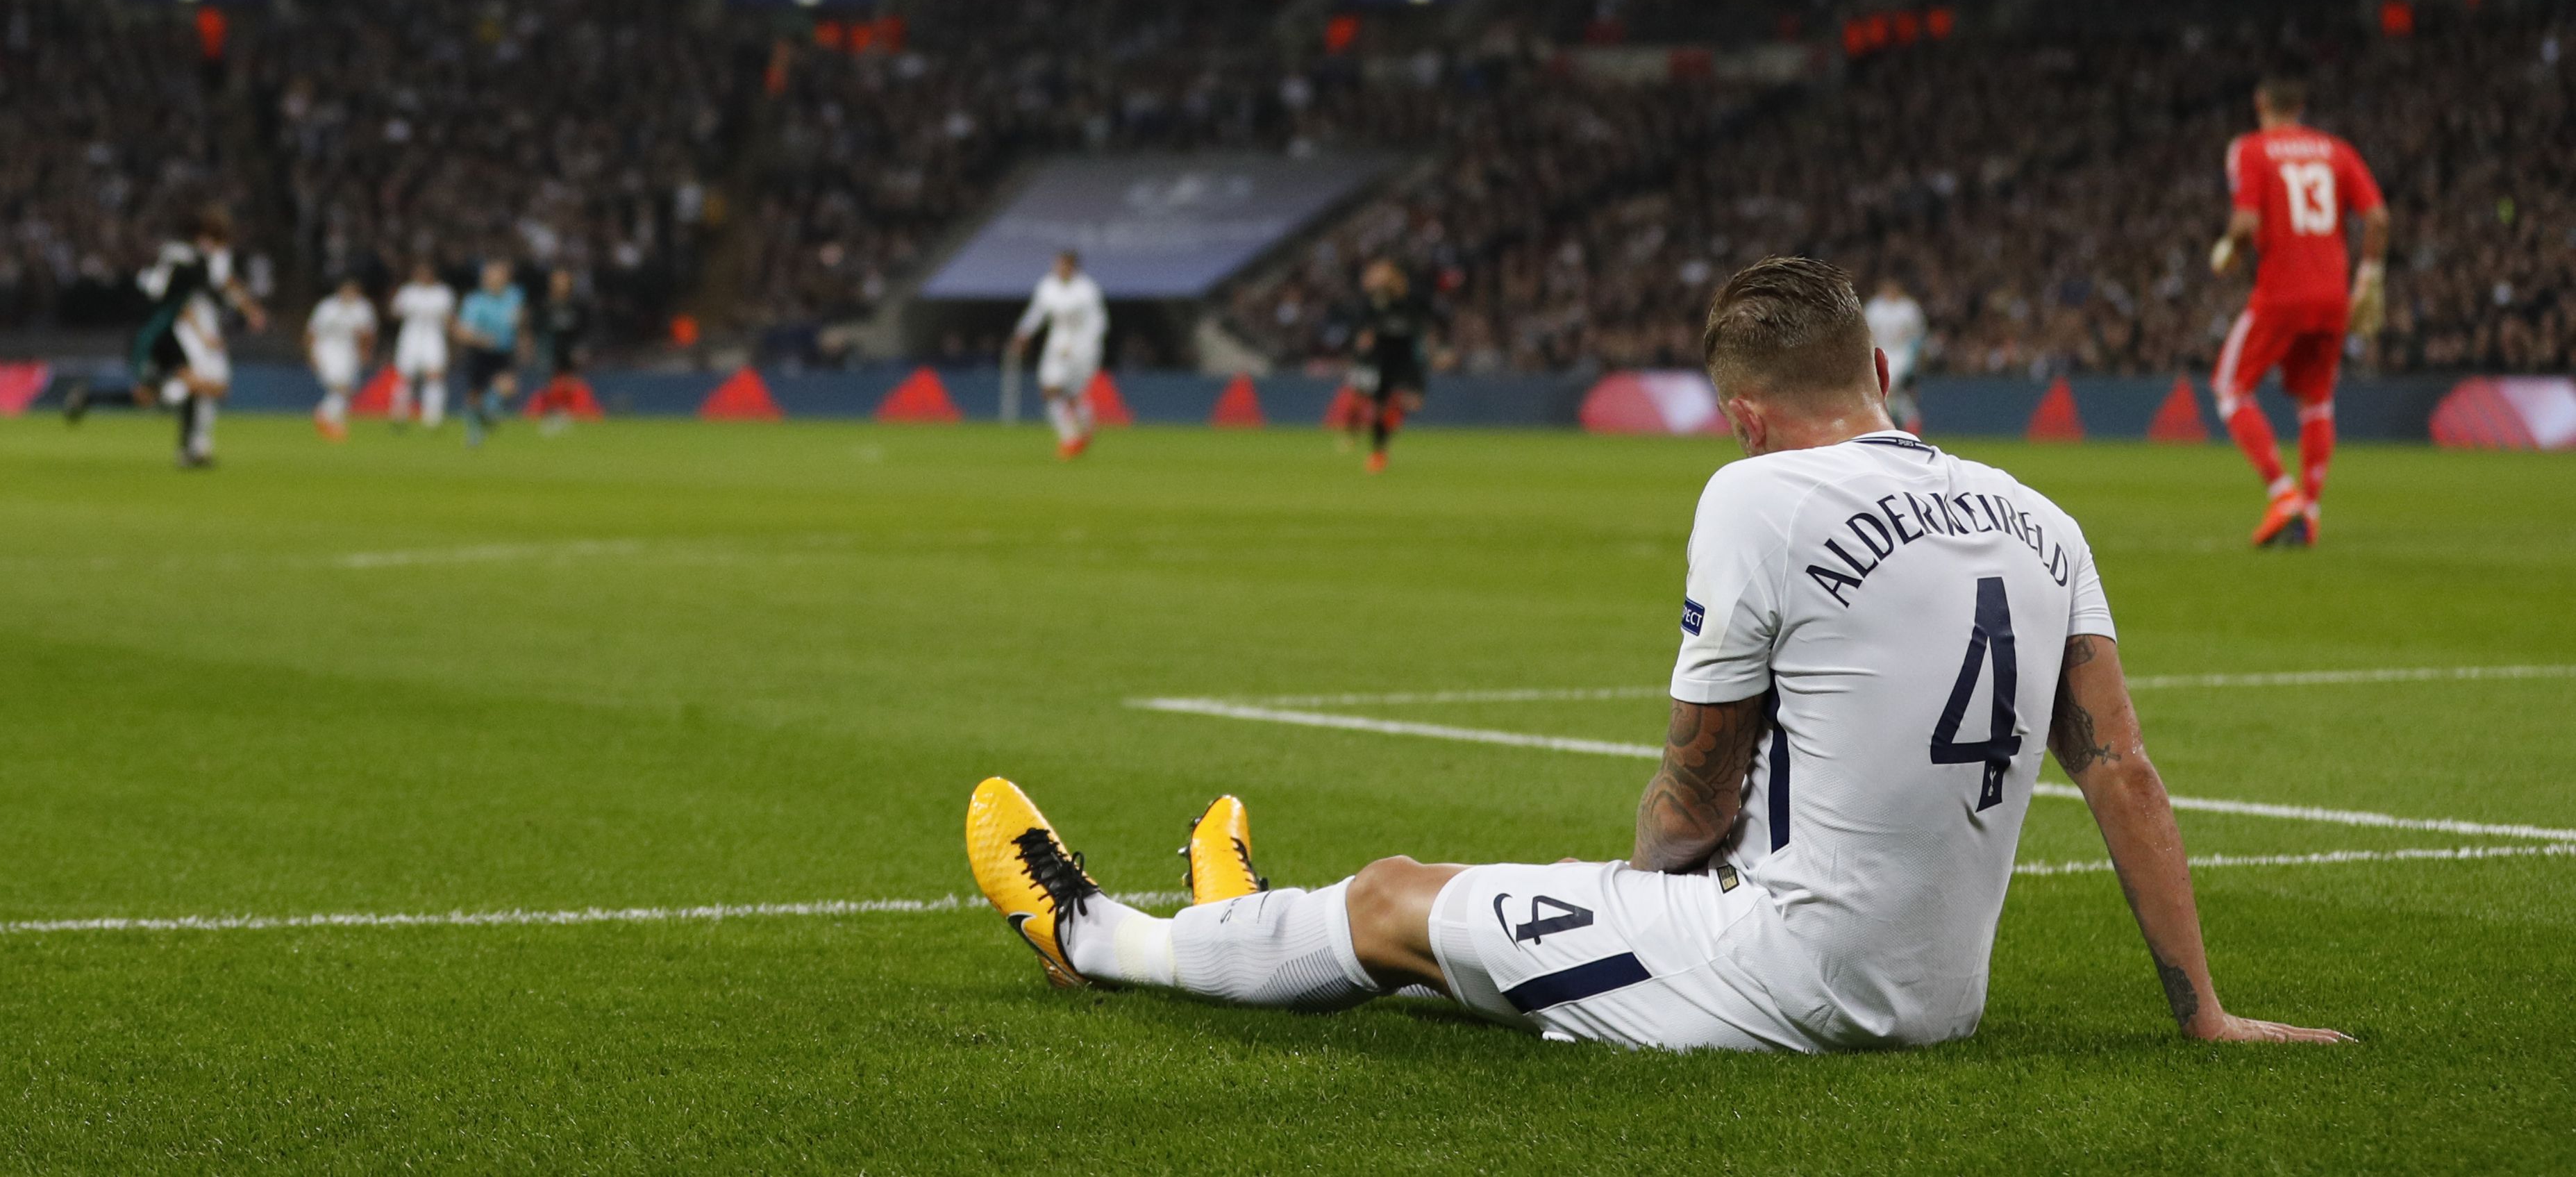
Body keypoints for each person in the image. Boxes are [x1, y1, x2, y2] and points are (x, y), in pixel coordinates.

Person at [967, 256, 2350, 1055]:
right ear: (1875, 362)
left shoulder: (1756, 497)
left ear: (1743, 416)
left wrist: (1628, 912)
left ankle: (1102, 938)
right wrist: (2207, 1017)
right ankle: (1252, 922)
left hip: (1797, 980)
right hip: (1943, 995)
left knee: (1396, 898)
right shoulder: (2041, 516)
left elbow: (1695, 795)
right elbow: (2126, 778)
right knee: (1470, 948)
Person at [2207, 77, 2387, 549]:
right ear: (2302, 107)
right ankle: (2309, 510)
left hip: (2281, 293)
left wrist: (2230, 248)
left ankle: (2282, 492)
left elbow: (2246, 223)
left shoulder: (2250, 149)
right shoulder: (2336, 150)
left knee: (2230, 388)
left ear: (2260, 103)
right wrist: (2368, 279)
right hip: (2332, 295)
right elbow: (2378, 218)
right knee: (2317, 399)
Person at [133, 206, 267, 470]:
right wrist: (204, 333)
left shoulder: (210, 257)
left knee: (212, 386)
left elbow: (226, 284)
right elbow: (183, 300)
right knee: (203, 384)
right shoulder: (190, 258)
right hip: (189, 327)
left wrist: (250, 310)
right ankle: (178, 419)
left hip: (204, 326)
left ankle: (194, 440)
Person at [1010, 248, 1107, 459]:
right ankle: (1072, 436)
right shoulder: (1048, 286)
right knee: (1051, 390)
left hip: (1082, 347)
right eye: (1057, 264)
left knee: (1069, 394)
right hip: (1058, 343)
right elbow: (1037, 312)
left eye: (1063, 265)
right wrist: (1023, 334)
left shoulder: (1087, 290)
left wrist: (1085, 348)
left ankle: (1082, 429)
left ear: (1074, 267)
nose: (1059, 269)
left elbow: (1099, 322)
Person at [1344, 258, 1428, 474]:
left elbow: (1422, 326)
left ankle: (1386, 426)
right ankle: (1378, 452)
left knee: (1412, 402)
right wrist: (1365, 337)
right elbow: (1364, 325)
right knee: (1376, 407)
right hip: (1382, 360)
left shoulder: (1413, 300)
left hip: (1407, 359)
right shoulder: (1376, 302)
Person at [453, 258, 526, 449]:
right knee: (475, 395)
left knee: (509, 388)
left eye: (500, 277)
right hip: (480, 352)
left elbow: (519, 319)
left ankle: (489, 411)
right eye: (492, 277)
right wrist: (482, 338)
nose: (496, 281)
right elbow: (462, 332)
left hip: (503, 352)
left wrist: (520, 327)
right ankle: (474, 432)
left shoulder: (514, 296)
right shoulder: (475, 302)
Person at [304, 276, 378, 442]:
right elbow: (312, 332)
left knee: (347, 390)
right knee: (341, 387)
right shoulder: (327, 307)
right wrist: (311, 354)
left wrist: (365, 351)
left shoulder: (362, 309)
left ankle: (328, 418)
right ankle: (325, 416)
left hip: (348, 351)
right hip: (326, 349)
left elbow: (368, 334)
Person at [529, 266, 599, 433]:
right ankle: (545, 415)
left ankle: (573, 415)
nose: (561, 285)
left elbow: (586, 330)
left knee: (572, 387)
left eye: (564, 281)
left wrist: (582, 349)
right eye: (557, 281)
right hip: (548, 354)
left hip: (572, 355)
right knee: (549, 389)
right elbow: (536, 330)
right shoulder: (544, 306)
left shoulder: (578, 306)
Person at [388, 261, 455, 431]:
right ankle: (399, 415)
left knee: (434, 376)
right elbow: (394, 313)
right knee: (405, 377)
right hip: (410, 337)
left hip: (434, 337)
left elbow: (449, 319)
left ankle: (432, 418)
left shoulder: (443, 293)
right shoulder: (408, 292)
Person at [1863, 276, 1928, 436]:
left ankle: (1890, 426)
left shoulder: (1908, 308)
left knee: (1889, 388)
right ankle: (1910, 422)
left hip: (1902, 353)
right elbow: (1866, 334)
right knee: (1891, 396)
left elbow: (1918, 336)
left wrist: (1915, 358)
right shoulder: (1874, 308)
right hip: (1880, 352)